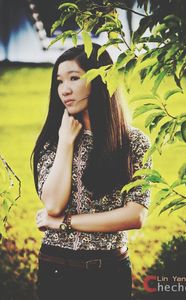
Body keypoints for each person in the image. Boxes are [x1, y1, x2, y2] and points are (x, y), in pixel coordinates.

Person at [32, 43, 151, 300]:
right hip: (57, 268)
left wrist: (65, 223)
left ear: (100, 78)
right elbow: (52, 204)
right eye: (59, 81)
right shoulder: (52, 140)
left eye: (74, 78)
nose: (64, 89)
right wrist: (66, 142)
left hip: (109, 270)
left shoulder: (133, 143)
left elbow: (135, 215)